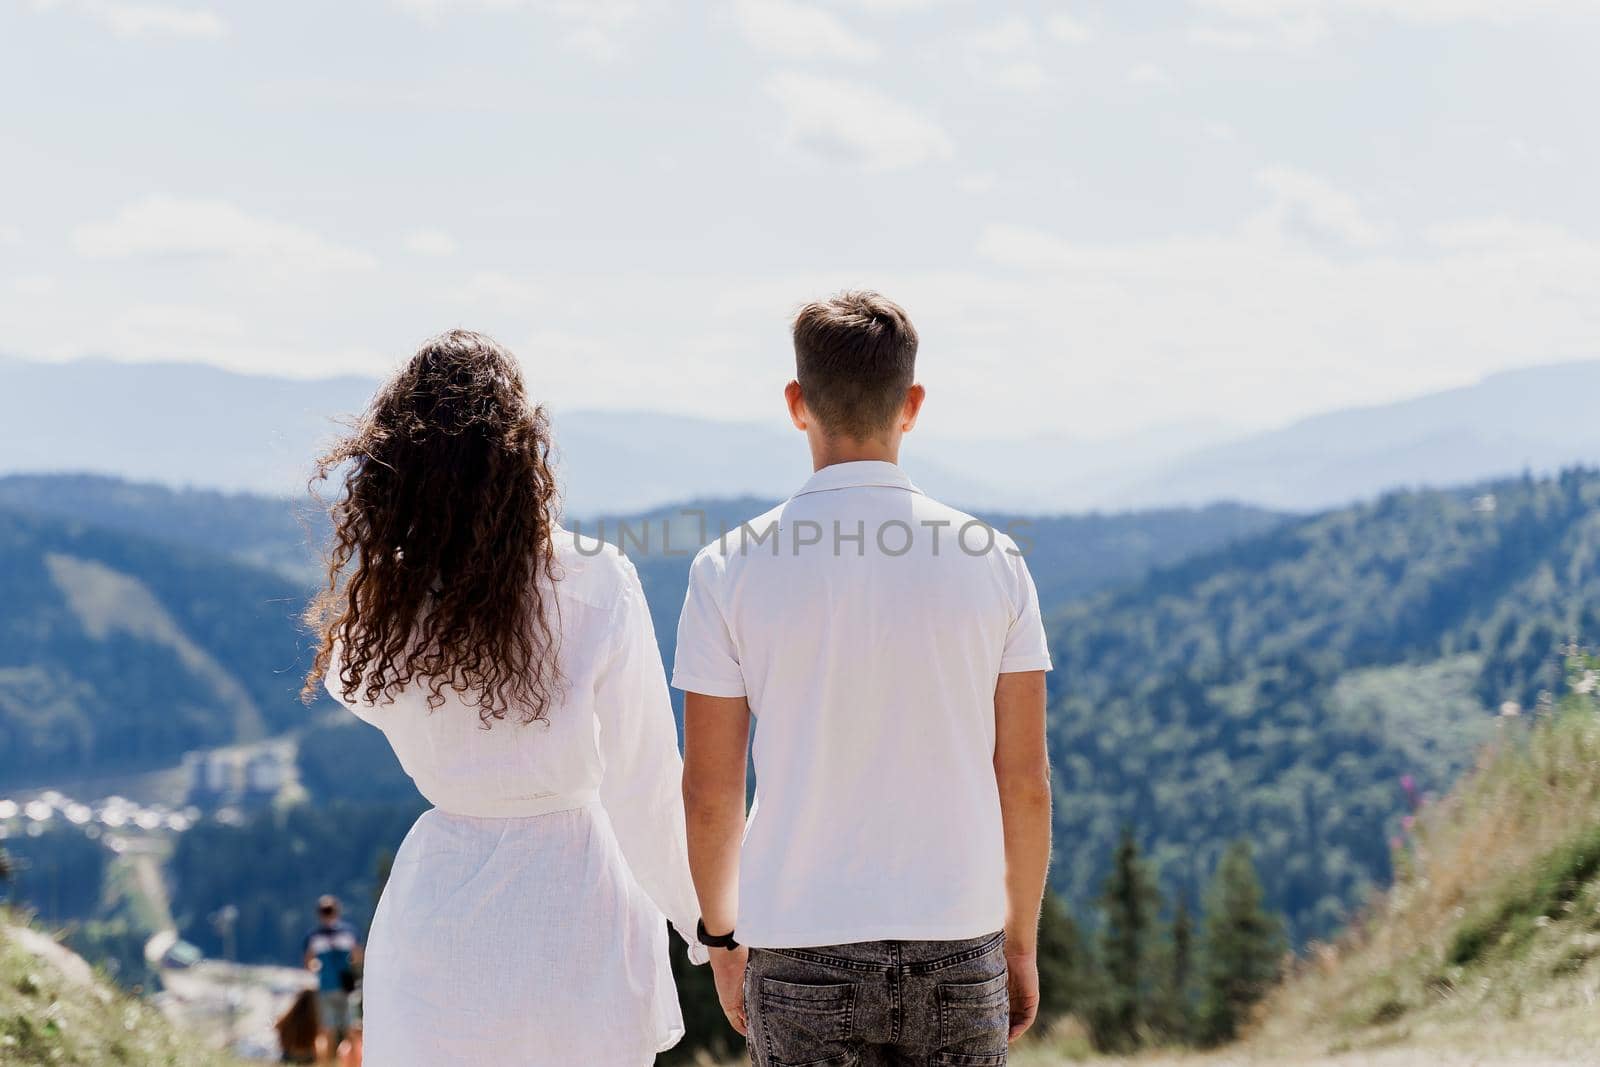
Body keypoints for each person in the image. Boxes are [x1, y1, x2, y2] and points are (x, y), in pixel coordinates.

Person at [304, 330, 706, 1066]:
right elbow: (645, 781)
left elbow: (349, 683)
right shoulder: (595, 578)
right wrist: (706, 926)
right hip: (577, 896)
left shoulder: (389, 601)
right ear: (524, 455)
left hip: (439, 909)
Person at [676, 291, 1055, 1066]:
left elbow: (711, 790)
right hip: (959, 936)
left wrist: (721, 938)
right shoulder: (996, 560)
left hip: (797, 941)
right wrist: (1018, 942)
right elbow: (1024, 781)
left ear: (796, 402)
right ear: (911, 404)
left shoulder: (727, 567)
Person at [302, 895, 362, 1061]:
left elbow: (308, 962)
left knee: (327, 1031)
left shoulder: (314, 937)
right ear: (337, 911)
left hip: (326, 985)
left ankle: (327, 1064)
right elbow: (357, 956)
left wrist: (319, 968)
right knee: (352, 1030)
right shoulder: (348, 933)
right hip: (346, 986)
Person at [275, 988, 321, 1064]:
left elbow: (280, 1041)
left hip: (287, 1057)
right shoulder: (316, 1021)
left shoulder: (287, 1019)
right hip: (308, 1058)